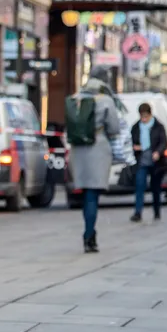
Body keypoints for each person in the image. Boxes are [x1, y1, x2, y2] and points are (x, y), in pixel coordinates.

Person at [67, 65, 121, 253]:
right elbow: (114, 128)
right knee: (92, 195)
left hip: (78, 150)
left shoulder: (76, 98)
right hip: (98, 148)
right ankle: (89, 235)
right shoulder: (105, 100)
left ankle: (89, 231)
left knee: (85, 193)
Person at [130, 102, 167, 222]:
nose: (144, 119)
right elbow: (130, 141)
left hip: (156, 161)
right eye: (142, 116)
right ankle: (138, 212)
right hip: (141, 160)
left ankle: (157, 211)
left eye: (146, 116)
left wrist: (158, 152)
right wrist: (135, 147)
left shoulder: (158, 126)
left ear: (150, 115)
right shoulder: (136, 127)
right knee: (140, 186)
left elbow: (163, 142)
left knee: (155, 188)